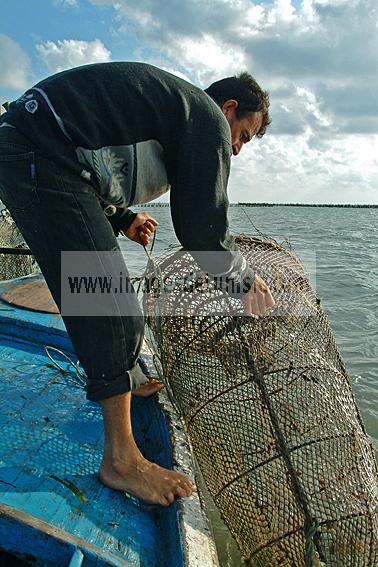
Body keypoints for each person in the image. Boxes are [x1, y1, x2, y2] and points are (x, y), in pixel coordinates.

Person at [0, 62, 275, 507]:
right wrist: (241, 278)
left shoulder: (172, 113)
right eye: (242, 135)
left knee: (109, 297)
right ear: (228, 108)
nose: (237, 149)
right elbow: (201, 226)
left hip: (37, 144)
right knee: (110, 304)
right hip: (38, 149)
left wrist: (125, 217)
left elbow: (93, 156)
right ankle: (121, 461)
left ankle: (124, 375)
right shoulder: (206, 116)